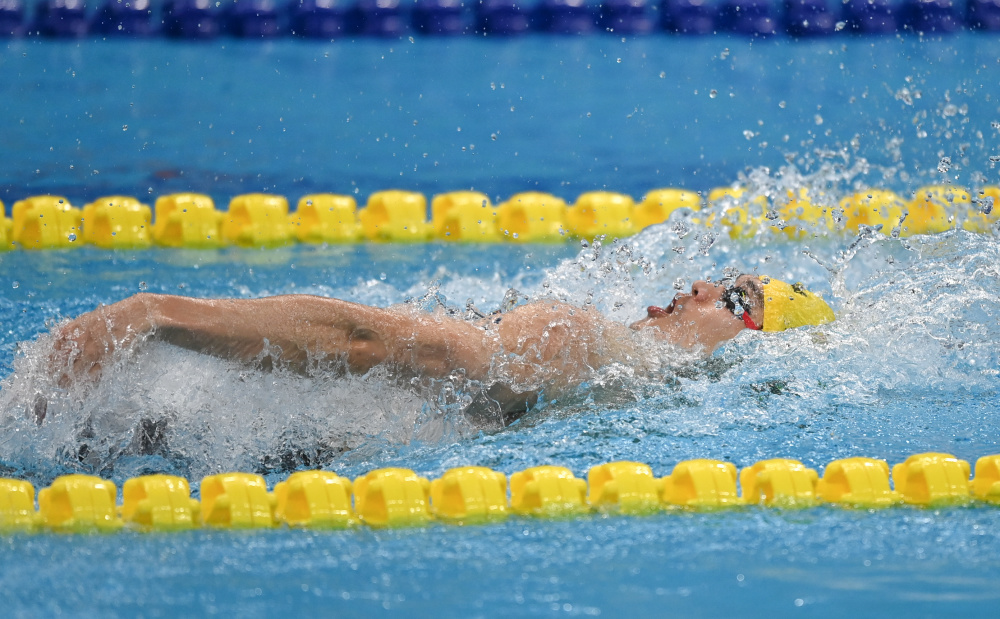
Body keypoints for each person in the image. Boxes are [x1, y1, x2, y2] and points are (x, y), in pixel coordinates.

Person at [49, 274, 834, 420]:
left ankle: (153, 319)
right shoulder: (584, 345)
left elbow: (368, 341)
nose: (697, 290)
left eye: (735, 297)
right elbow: (371, 341)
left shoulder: (616, 358)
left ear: (752, 334)